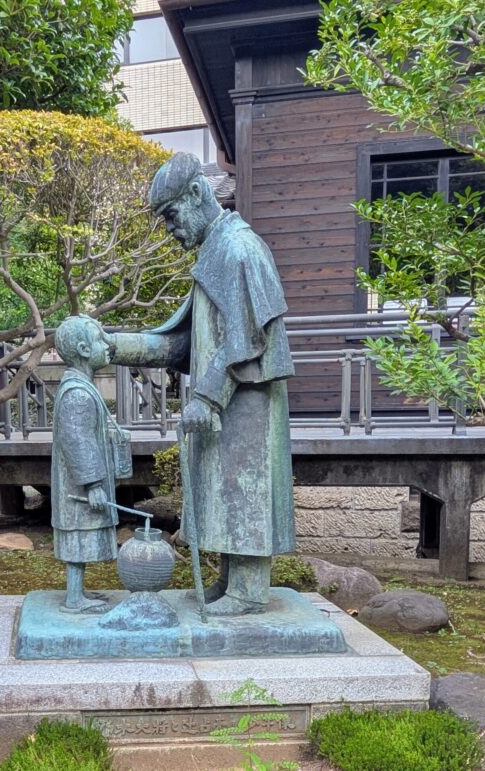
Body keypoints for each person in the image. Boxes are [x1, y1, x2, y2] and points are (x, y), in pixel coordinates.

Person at [111, 152, 295, 616]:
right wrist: (112, 346)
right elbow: (182, 342)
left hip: (246, 399)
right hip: (228, 400)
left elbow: (249, 338)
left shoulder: (240, 248)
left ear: (196, 194)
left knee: (241, 487)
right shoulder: (215, 250)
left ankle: (250, 589)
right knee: (226, 489)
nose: (170, 229)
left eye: (171, 214)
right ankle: (232, 579)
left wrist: (208, 396)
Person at [50, 314, 130, 613]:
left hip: (76, 482)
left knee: (80, 538)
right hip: (78, 486)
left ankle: (77, 592)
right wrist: (94, 484)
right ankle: (74, 598)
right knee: (77, 538)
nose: (108, 345)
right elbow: (77, 440)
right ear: (84, 349)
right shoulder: (78, 394)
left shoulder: (81, 387)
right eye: (100, 340)